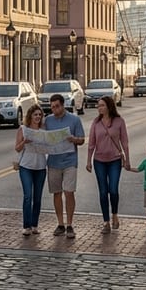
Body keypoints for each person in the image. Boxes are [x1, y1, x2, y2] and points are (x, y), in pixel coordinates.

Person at [85, 95, 129, 234]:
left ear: (109, 106)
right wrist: (88, 161)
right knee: (103, 192)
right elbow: (91, 143)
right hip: (99, 161)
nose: (99, 108)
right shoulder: (96, 123)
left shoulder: (119, 121)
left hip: (115, 160)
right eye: (98, 106)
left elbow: (125, 142)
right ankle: (106, 222)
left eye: (102, 105)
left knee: (113, 190)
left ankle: (115, 215)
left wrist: (127, 160)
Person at [44, 93, 86, 239]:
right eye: (52, 107)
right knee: (56, 192)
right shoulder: (48, 121)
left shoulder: (74, 120)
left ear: (62, 105)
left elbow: (82, 140)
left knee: (69, 192)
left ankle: (70, 224)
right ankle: (60, 224)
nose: (54, 109)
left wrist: (73, 139)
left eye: (57, 106)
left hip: (70, 161)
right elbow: (42, 137)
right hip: (54, 161)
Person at [14, 105, 48, 236]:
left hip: (40, 167)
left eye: (40, 115)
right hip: (26, 166)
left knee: (37, 198)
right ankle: (26, 225)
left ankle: (35, 224)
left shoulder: (44, 130)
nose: (38, 117)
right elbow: (17, 148)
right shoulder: (23, 129)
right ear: (30, 116)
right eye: (35, 115)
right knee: (28, 196)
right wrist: (24, 142)